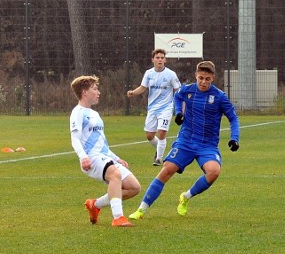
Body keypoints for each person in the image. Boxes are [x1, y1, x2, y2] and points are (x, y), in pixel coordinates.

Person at [128, 60, 240, 220]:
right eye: (200, 78)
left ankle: (185, 197)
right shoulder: (187, 91)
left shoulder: (219, 97)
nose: (203, 82)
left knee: (214, 172)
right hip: (186, 141)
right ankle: (141, 210)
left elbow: (233, 119)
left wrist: (234, 138)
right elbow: (177, 97)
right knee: (166, 170)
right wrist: (179, 112)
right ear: (196, 75)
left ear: (213, 78)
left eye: (207, 79)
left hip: (207, 145)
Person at [70, 75, 142, 227]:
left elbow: (101, 143)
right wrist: (83, 157)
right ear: (84, 92)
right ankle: (118, 218)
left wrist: (116, 158)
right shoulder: (78, 112)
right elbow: (75, 139)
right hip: (91, 158)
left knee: (134, 187)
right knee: (115, 175)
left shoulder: (94, 114)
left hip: (103, 156)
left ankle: (95, 205)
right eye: (95, 89)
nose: (98, 92)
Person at [126, 48, 181, 165]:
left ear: (165, 60)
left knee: (161, 132)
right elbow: (143, 87)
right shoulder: (149, 73)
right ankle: (159, 149)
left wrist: (180, 103)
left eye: (162, 58)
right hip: (152, 108)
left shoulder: (171, 74)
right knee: (150, 135)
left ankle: (159, 159)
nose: (160, 60)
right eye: (157, 58)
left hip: (166, 108)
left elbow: (178, 89)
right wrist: (133, 92)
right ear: (153, 60)